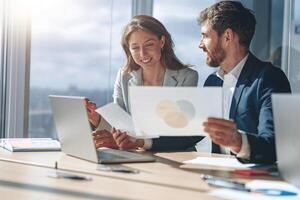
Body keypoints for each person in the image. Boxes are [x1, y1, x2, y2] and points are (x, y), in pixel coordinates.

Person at [86, 15, 201, 151]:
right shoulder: (124, 76)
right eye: (135, 48)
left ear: (162, 42)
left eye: (149, 45)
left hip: (177, 155)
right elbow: (121, 124)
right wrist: (97, 119)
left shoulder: (187, 77)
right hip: (138, 155)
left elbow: (181, 133)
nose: (143, 54)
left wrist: (140, 141)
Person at [199, 1, 291, 164]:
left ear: (227, 36)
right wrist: (146, 141)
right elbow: (194, 132)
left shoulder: (270, 79)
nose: (200, 44)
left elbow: (275, 145)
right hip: (216, 176)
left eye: (205, 36)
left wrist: (239, 142)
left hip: (255, 182)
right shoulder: (212, 81)